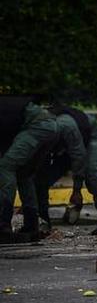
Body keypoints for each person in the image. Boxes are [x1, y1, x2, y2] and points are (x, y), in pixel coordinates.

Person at [35, 104, 97, 235]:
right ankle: (43, 220)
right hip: (64, 143)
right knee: (41, 178)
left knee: (92, 174)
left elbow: (79, 157)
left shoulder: (66, 127)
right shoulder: (34, 131)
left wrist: (77, 191)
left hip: (89, 136)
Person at [0, 96, 60, 237]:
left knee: (5, 167)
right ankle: (31, 224)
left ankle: (3, 224)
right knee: (23, 174)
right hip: (51, 126)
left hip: (37, 127)